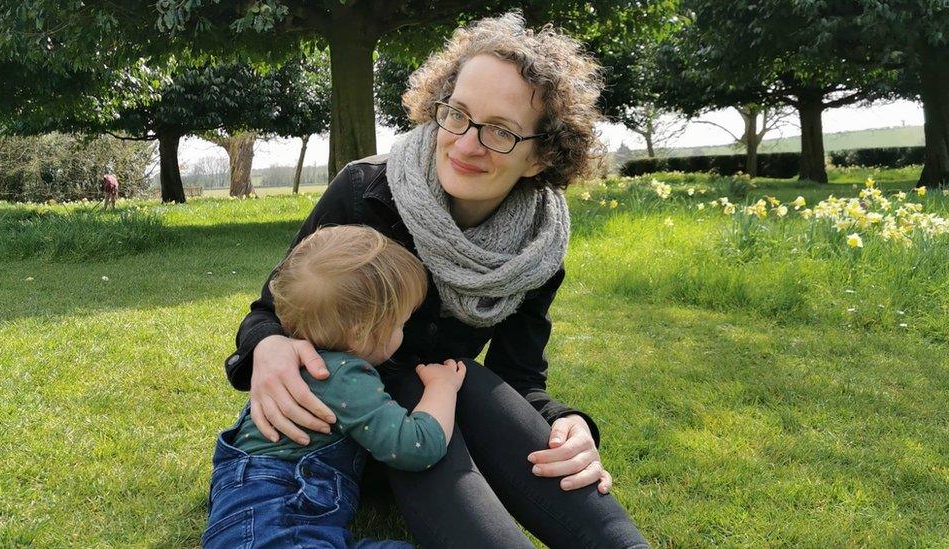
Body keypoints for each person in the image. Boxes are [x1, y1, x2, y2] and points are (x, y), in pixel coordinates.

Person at [224, 12, 649, 548]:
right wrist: (267, 348)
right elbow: (270, 311)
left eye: (500, 130)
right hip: (342, 431)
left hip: (443, 410)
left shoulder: (535, 251)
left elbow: (519, 380)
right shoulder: (365, 193)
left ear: (542, 155)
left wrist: (569, 423)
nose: (466, 145)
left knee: (454, 375)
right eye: (458, 115)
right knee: (421, 377)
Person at [204, 225, 466, 548]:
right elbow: (415, 445)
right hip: (273, 521)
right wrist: (442, 387)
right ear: (359, 333)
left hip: (258, 516)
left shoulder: (302, 358)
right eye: (400, 324)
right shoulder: (341, 376)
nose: (404, 332)